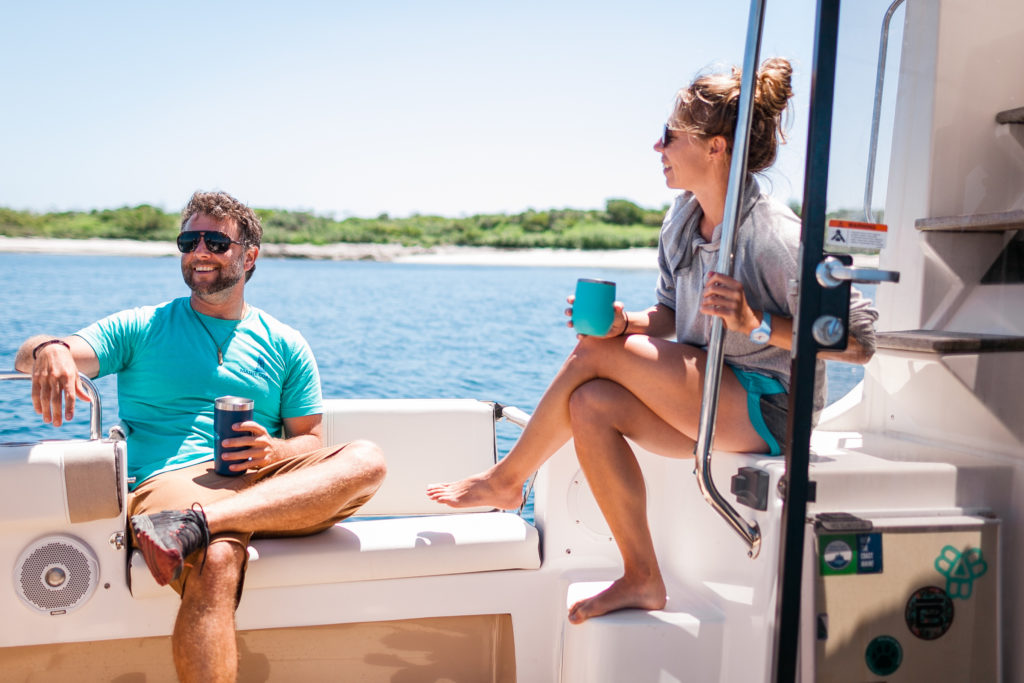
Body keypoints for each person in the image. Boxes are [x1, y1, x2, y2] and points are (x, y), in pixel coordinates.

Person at [427, 58, 878, 624]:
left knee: (592, 355)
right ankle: (641, 576)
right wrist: (628, 326)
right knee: (590, 404)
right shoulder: (683, 219)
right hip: (709, 393)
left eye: (670, 135)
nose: (655, 145)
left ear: (716, 147)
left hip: (773, 408)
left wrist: (758, 324)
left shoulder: (776, 236)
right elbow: (669, 315)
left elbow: (859, 342)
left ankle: (506, 480)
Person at [15, 191, 387, 682]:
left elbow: (311, 442)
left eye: (215, 241)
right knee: (216, 556)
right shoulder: (142, 326)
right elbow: (26, 355)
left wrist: (275, 450)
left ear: (249, 255)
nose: (200, 252)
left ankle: (195, 524)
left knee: (368, 458)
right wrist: (50, 349)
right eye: (189, 241)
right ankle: (202, 527)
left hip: (263, 482)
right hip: (172, 481)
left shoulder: (285, 343)